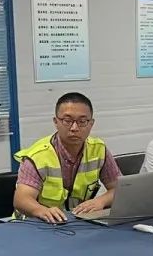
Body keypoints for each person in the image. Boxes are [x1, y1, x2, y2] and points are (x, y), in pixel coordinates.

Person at [13, 92, 121, 224]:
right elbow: (21, 200)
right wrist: (41, 210)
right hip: (37, 224)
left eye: (82, 122)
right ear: (56, 122)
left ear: (91, 124)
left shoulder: (99, 150)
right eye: (67, 121)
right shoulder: (37, 156)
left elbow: (120, 188)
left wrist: (100, 201)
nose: (74, 128)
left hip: (77, 222)